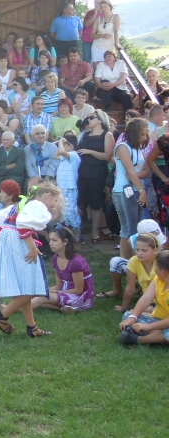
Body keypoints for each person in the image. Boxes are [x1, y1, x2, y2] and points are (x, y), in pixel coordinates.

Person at [0, 182, 63, 338]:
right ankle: (2, 315)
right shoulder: (37, 205)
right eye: (54, 201)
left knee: (25, 285)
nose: (53, 205)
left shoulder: (25, 203)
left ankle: (32, 327)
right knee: (33, 287)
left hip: (9, 239)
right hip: (17, 240)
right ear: (48, 196)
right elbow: (23, 226)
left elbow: (0, 225)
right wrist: (30, 247)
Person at [30, 227, 94, 314]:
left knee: (43, 298)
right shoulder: (55, 258)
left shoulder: (76, 261)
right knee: (38, 294)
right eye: (50, 240)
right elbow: (58, 285)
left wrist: (53, 292)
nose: (50, 243)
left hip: (80, 297)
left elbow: (78, 290)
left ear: (65, 242)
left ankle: (9, 309)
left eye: (54, 240)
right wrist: (46, 290)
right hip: (65, 292)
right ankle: (68, 309)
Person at [111, 118, 149, 259]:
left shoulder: (139, 149)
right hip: (124, 191)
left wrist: (136, 176)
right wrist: (141, 191)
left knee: (130, 229)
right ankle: (132, 263)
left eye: (146, 134)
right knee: (131, 230)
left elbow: (145, 171)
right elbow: (130, 171)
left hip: (135, 189)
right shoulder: (122, 147)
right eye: (142, 134)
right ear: (134, 133)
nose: (145, 138)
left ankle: (126, 263)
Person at [76, 109, 116, 243]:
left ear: (99, 119)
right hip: (83, 171)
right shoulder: (85, 135)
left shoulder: (107, 135)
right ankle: (74, 231)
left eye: (91, 117)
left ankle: (95, 233)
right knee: (81, 202)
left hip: (98, 172)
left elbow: (107, 156)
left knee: (96, 203)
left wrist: (90, 151)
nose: (88, 120)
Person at [118, 250, 169, 346]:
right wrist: (132, 318)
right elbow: (145, 299)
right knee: (128, 315)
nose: (154, 268)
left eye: (156, 266)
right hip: (158, 319)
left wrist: (148, 327)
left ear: (163, 272)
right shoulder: (158, 279)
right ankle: (159, 336)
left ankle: (139, 339)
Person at [55, 135, 82, 239]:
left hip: (69, 188)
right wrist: (61, 143)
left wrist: (61, 141)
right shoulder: (64, 158)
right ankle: (68, 234)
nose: (62, 146)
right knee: (63, 211)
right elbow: (56, 155)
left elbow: (61, 152)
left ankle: (77, 234)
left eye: (65, 145)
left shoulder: (74, 155)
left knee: (71, 211)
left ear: (71, 146)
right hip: (61, 188)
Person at [90, 0, 121, 66]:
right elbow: (92, 35)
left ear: (110, 7)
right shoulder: (97, 20)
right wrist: (102, 35)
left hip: (109, 47)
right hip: (96, 46)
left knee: (109, 67)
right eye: (101, 7)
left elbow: (116, 31)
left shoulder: (115, 16)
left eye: (105, 6)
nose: (103, 9)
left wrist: (116, 43)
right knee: (97, 69)